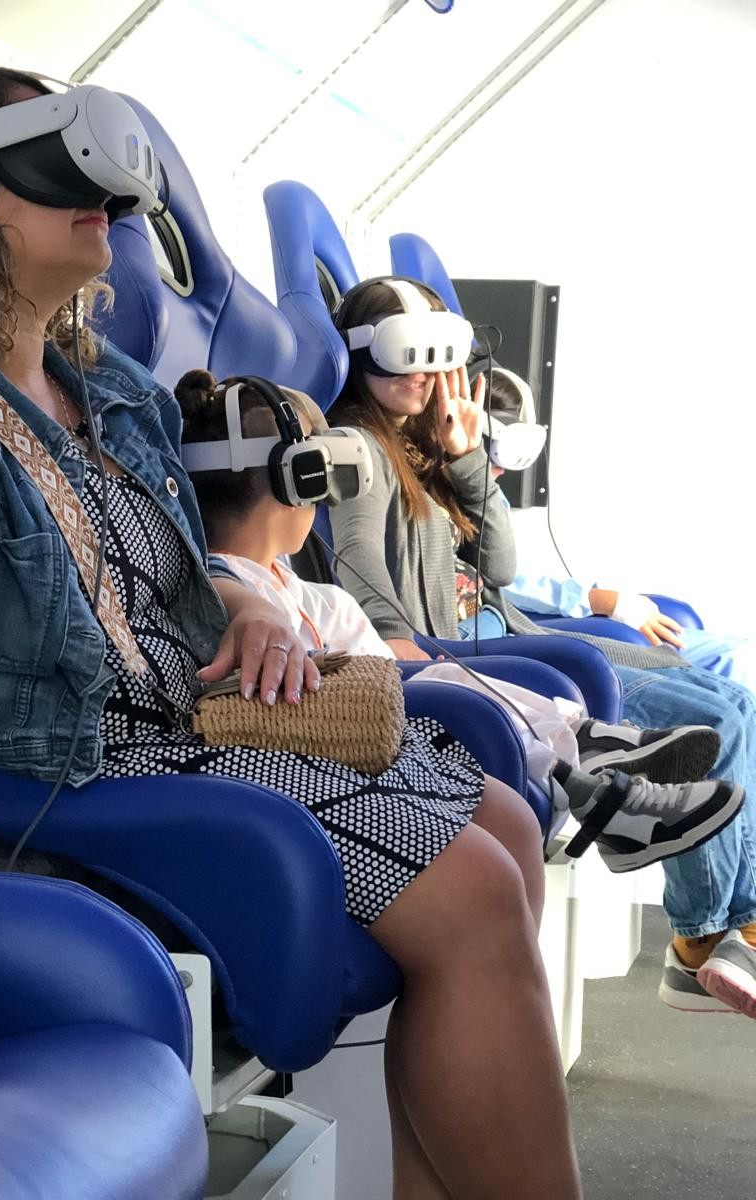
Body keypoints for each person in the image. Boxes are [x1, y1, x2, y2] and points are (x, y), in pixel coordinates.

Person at [0, 65, 583, 1198]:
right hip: (77, 767)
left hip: (193, 716)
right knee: (467, 889)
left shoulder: (110, 387)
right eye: (51, 169)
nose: (99, 196)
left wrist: (251, 598)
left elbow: (160, 573)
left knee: (505, 827)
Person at [328, 277, 756, 1020]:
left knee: (738, 703)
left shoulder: (420, 445)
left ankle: (735, 930)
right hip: (470, 655)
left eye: (435, 357)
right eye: (404, 356)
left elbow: (494, 566)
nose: (423, 376)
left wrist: (464, 460)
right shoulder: (358, 451)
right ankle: (703, 940)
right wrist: (417, 655)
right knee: (715, 724)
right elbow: (363, 576)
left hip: (516, 635)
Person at [174, 368, 744, 874]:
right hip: (326, 751)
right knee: (443, 682)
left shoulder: (315, 595)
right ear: (296, 479)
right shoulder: (227, 586)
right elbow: (221, 593)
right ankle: (597, 773)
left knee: (443, 673)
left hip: (380, 718)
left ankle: (595, 759)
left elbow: (459, 599)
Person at [482, 365, 752, 684]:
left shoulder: (490, 495)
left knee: (739, 652)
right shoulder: (453, 502)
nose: (502, 467)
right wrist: (601, 600)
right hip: (511, 628)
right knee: (730, 662)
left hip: (536, 613)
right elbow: (500, 582)